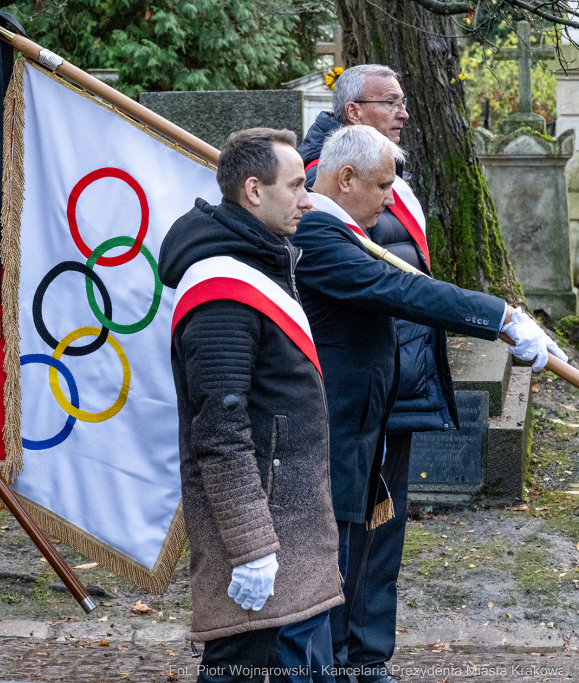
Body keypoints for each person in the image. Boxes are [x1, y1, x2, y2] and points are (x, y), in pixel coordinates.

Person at [291, 124, 565, 683]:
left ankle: (347, 664)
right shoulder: (318, 233)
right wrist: (501, 319)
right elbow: (403, 291)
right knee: (328, 573)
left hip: (363, 423)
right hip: (332, 428)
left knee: (357, 559)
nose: (392, 199)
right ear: (346, 178)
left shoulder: (340, 227)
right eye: (383, 186)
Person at [159, 128, 343, 683]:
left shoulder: (260, 263)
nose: (308, 200)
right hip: (264, 553)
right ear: (254, 191)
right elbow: (219, 433)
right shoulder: (221, 289)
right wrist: (253, 550)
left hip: (293, 548)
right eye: (296, 186)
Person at [291, 63, 431, 683]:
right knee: (343, 522)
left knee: (384, 524)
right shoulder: (313, 185)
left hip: (398, 374)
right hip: (346, 382)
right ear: (352, 110)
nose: (403, 111)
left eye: (403, 101)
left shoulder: (389, 169)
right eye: (390, 102)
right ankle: (334, 654)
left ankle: (368, 652)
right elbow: (379, 281)